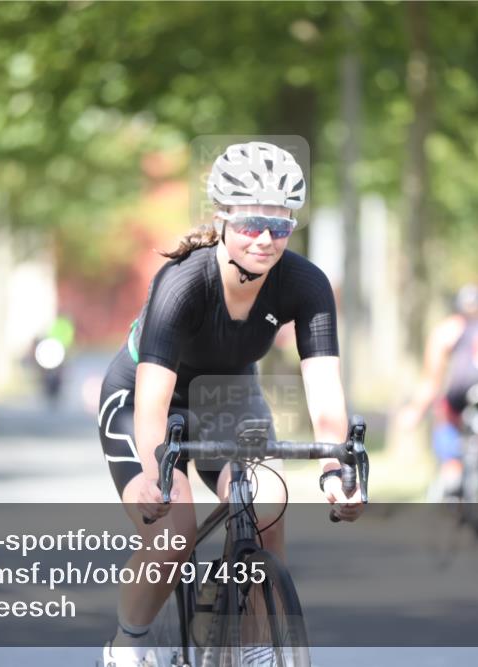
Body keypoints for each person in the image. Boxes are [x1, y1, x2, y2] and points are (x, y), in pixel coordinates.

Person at [97, 141, 364, 667]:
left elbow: (325, 387)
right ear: (221, 218)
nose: (265, 239)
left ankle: (258, 647)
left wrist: (337, 466)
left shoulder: (306, 284)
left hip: (227, 395)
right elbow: (153, 400)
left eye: (280, 226)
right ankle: (128, 644)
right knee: (174, 531)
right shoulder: (183, 282)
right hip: (146, 395)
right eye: (249, 225)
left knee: (266, 504)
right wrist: (155, 470)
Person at [397, 285, 478, 501]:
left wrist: (415, 411)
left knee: (445, 414)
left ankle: (451, 470)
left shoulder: (450, 328)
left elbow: (432, 380)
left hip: (463, 387)